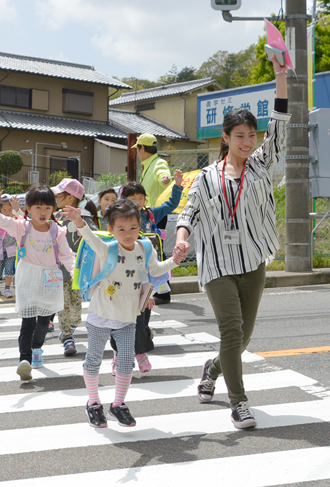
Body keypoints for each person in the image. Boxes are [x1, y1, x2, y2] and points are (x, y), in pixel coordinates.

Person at [175, 55, 289, 429]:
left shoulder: (260, 164)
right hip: (218, 265)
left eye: (251, 135)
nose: (247, 141)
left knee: (242, 337)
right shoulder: (207, 177)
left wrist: (280, 76)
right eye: (239, 136)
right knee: (232, 331)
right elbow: (188, 212)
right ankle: (238, 403)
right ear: (225, 138)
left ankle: (212, 368)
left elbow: (281, 126)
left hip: (253, 261)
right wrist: (181, 239)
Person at [63, 200, 185, 428]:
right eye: (121, 229)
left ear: (140, 225)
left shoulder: (144, 247)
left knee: (127, 362)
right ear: (111, 229)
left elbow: (155, 270)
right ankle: (93, 404)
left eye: (133, 228)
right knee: (94, 359)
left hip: (128, 316)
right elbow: (89, 237)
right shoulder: (107, 248)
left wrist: (175, 261)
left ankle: (117, 405)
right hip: (101, 314)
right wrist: (79, 221)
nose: (128, 234)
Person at [0, 186, 75, 381]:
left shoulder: (57, 231)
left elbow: (67, 256)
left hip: (51, 279)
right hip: (28, 277)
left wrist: (76, 274)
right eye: (38, 207)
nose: (43, 212)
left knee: (45, 321)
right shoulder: (22, 226)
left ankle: (37, 347)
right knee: (28, 321)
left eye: (48, 207)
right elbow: (1, 220)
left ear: (53, 209)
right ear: (28, 208)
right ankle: (25, 360)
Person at [110, 172, 184, 372]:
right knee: (120, 323)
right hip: (122, 282)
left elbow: (170, 205)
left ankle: (140, 354)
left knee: (142, 321)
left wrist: (177, 185)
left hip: (147, 273)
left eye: (140, 198)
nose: (137, 202)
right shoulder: (115, 223)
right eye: (132, 199)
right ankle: (119, 358)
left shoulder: (150, 216)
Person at [52, 178, 99, 356]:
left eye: (59, 194)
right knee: (62, 305)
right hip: (57, 270)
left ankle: (69, 327)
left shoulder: (84, 217)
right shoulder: (55, 217)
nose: (56, 197)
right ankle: (67, 337)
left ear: (71, 198)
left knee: (76, 312)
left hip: (78, 270)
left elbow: (95, 237)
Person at [133, 133, 172, 223]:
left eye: (137, 149)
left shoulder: (158, 163)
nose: (137, 152)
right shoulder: (149, 164)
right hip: (151, 214)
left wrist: (164, 179)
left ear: (142, 148)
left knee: (156, 237)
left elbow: (162, 173)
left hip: (157, 215)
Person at [0, 191, 21, 298]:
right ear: (0, 210)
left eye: (9, 210)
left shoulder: (15, 220)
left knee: (9, 269)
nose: (7, 212)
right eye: (4, 210)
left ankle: (7, 288)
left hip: (11, 249)